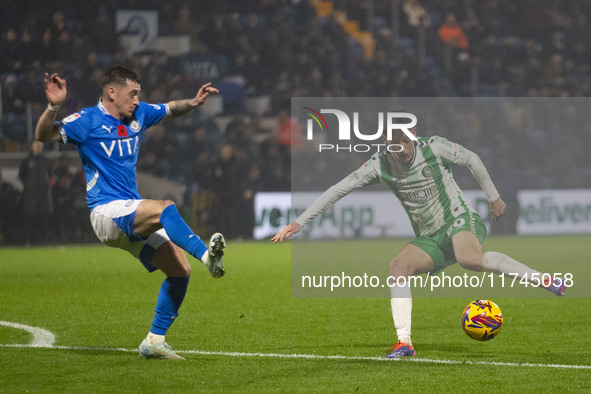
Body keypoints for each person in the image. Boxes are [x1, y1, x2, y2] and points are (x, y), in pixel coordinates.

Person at [272, 120, 566, 358]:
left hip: (459, 219)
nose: (402, 150)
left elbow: (472, 160)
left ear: (414, 133)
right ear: (385, 142)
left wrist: (494, 198)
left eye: (406, 141)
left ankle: (544, 279)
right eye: (394, 143)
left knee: (468, 258)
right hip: (430, 237)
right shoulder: (379, 164)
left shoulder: (435, 147)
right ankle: (404, 343)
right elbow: (337, 189)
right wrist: (299, 222)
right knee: (398, 266)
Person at [35, 66, 225, 360]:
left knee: (179, 271)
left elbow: (171, 109)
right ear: (112, 92)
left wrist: (194, 102)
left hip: (130, 214)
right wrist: (53, 105)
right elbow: (44, 134)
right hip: (106, 212)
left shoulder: (139, 115)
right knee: (165, 208)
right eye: (132, 94)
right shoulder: (87, 121)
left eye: (139, 94)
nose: (137, 100)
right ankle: (207, 257)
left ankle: (154, 342)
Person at [19, 141, 53, 246]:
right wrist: (30, 186)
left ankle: (45, 241)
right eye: (36, 145)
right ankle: (26, 241)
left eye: (40, 145)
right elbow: (22, 176)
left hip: (43, 194)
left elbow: (50, 175)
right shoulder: (26, 161)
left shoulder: (46, 161)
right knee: (28, 218)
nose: (38, 147)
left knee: (45, 218)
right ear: (32, 146)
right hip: (30, 195)